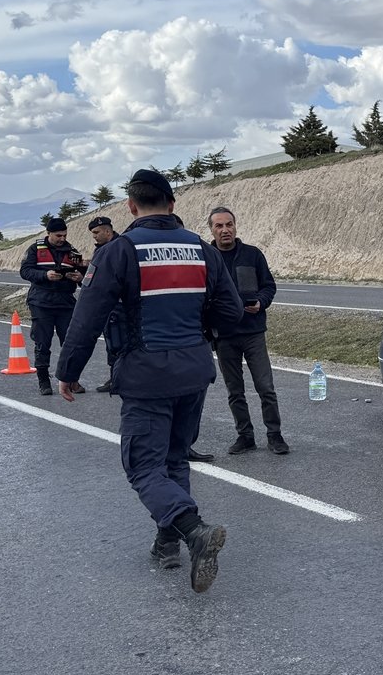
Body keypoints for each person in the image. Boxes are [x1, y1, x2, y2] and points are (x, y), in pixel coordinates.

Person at [55, 169, 243, 593]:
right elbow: (231, 314)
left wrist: (68, 372)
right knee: (174, 459)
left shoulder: (118, 251)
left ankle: (194, 530)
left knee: (143, 465)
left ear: (132, 207)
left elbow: (87, 319)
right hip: (194, 371)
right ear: (173, 205)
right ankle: (168, 544)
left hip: (146, 374)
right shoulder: (202, 249)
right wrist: (197, 335)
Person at [206, 206, 288, 455]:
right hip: (224, 336)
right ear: (211, 229)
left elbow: (269, 287)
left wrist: (261, 302)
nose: (225, 230)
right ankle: (245, 436)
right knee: (235, 391)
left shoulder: (253, 255)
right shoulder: (208, 258)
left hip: (253, 333)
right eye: (219, 226)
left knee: (266, 388)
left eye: (229, 224)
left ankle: (275, 435)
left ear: (235, 226)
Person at [19, 217, 86, 396]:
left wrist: (80, 278)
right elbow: (25, 271)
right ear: (48, 233)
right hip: (41, 302)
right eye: (58, 235)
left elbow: (85, 276)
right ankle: (44, 381)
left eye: (64, 235)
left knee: (70, 343)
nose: (62, 239)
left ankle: (71, 379)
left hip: (65, 303)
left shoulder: (72, 251)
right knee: (43, 342)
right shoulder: (35, 249)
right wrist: (45, 275)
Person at [87, 216, 119, 393]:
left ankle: (121, 378)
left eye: (97, 232)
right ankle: (114, 376)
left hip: (120, 306)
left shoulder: (120, 247)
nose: (94, 236)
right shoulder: (101, 249)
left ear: (108, 231)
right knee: (111, 343)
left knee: (120, 342)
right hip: (108, 305)